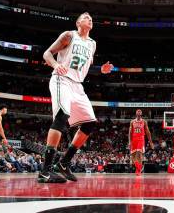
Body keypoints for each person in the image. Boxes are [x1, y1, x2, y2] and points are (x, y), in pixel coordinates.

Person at [38, 12, 114, 183]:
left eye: (91, 18)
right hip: (61, 80)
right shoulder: (68, 36)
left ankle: (63, 163)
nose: (90, 19)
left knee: (90, 123)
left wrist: (100, 70)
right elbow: (47, 54)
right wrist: (56, 64)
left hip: (78, 86)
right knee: (61, 117)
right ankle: (45, 171)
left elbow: (86, 67)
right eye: (86, 17)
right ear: (78, 22)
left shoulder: (92, 44)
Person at [129, 109, 154, 175]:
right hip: (134, 139)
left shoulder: (144, 122)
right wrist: (129, 141)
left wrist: (151, 142)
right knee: (133, 156)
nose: (139, 112)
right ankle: (139, 167)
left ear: (141, 113)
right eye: (138, 111)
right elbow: (130, 132)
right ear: (136, 113)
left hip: (141, 139)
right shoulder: (132, 122)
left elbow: (148, 132)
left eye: (140, 111)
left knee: (138, 154)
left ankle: (138, 170)